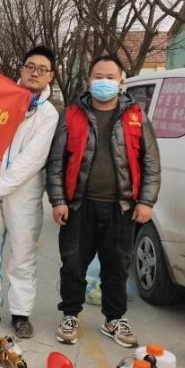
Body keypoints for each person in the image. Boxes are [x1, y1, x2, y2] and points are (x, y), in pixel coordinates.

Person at [46, 55, 160, 347]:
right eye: (99, 76)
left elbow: (151, 163)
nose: (104, 82)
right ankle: (70, 314)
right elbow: (56, 162)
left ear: (121, 82)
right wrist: (58, 201)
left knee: (117, 267)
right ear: (89, 80)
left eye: (111, 77)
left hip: (122, 208)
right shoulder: (72, 115)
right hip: (78, 206)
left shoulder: (136, 115)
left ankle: (114, 319)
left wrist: (146, 202)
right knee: (72, 264)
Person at [0, 45, 60, 339]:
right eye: (30, 66)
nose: (35, 73)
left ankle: (21, 314)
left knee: (22, 254)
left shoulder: (48, 115)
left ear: (51, 77)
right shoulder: (1, 100)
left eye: (42, 69)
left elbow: (33, 159)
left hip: (23, 192)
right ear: (21, 69)